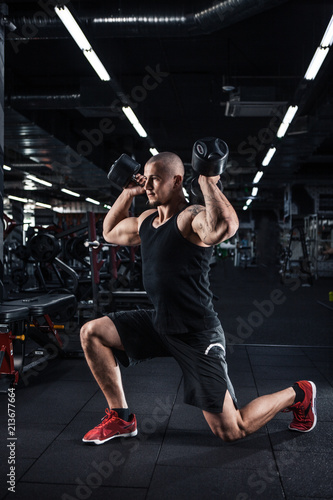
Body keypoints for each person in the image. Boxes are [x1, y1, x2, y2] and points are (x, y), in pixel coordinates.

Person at [80, 151, 317, 445]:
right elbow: (110, 232)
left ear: (177, 180)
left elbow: (224, 228)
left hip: (196, 333)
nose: (148, 185)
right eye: (146, 178)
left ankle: (299, 393)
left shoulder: (190, 217)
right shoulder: (146, 220)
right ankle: (121, 418)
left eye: (154, 179)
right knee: (92, 332)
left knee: (232, 429)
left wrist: (207, 182)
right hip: (160, 322)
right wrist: (128, 192)